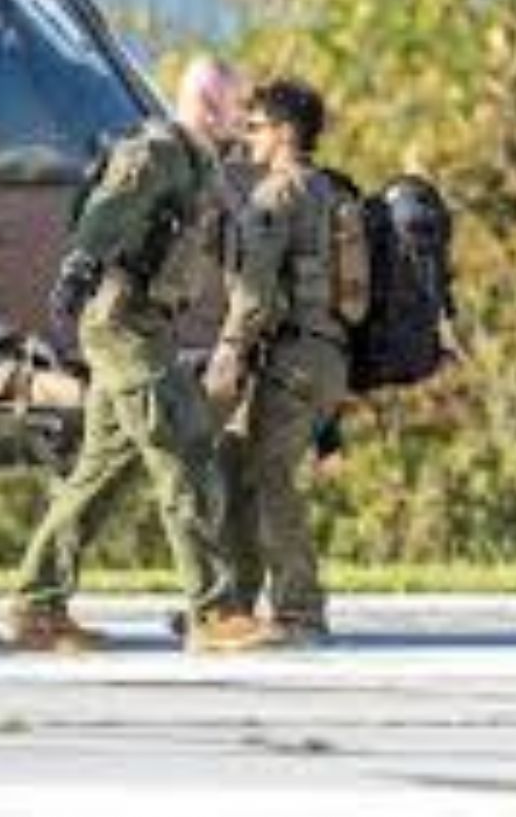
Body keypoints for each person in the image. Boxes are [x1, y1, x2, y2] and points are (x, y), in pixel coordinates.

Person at [8, 56, 274, 654]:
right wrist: (79, 269)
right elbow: (108, 210)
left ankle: (37, 607)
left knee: (101, 471)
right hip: (122, 324)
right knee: (185, 451)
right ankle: (213, 612)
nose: (246, 118)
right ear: (210, 106)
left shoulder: (199, 164)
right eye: (238, 106)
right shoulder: (156, 152)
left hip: (145, 324)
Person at [204, 79, 353, 647]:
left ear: (285, 133)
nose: (249, 138)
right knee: (237, 464)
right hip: (325, 357)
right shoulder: (332, 190)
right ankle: (234, 606)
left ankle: (299, 611)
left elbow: (253, 291)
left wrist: (228, 351)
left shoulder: (275, 197)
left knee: (269, 478)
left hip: (291, 358)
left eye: (256, 127)